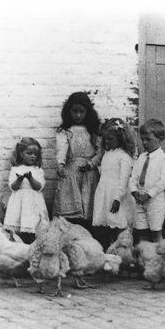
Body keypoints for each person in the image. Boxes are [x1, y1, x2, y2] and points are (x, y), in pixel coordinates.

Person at [53, 92, 102, 230]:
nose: (78, 115)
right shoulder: (65, 131)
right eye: (75, 111)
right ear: (69, 111)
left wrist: (91, 164)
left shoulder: (94, 130)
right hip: (72, 171)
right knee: (71, 206)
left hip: (89, 172)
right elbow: (61, 149)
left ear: (88, 112)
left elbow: (100, 151)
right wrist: (61, 164)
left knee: (88, 205)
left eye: (82, 111)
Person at [92, 118, 136, 249]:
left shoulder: (124, 157)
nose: (107, 141)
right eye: (105, 139)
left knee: (119, 223)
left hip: (117, 195)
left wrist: (117, 198)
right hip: (105, 193)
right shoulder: (107, 154)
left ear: (120, 139)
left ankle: (122, 251)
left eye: (110, 139)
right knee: (108, 224)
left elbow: (123, 180)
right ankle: (110, 250)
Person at [129, 119, 165, 243]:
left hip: (155, 201)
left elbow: (164, 181)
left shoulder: (163, 160)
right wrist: (134, 192)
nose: (144, 143)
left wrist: (148, 195)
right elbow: (133, 177)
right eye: (142, 139)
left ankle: (160, 259)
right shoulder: (141, 158)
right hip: (139, 199)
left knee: (155, 233)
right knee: (141, 232)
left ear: (160, 139)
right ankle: (146, 259)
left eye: (148, 139)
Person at [3, 137, 49, 244]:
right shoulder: (15, 169)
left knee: (32, 226)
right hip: (19, 203)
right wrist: (19, 179)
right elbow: (13, 187)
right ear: (21, 153)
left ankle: (31, 244)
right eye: (29, 153)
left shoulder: (38, 170)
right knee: (18, 229)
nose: (33, 156)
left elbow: (39, 187)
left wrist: (30, 178)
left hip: (33, 204)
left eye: (35, 154)